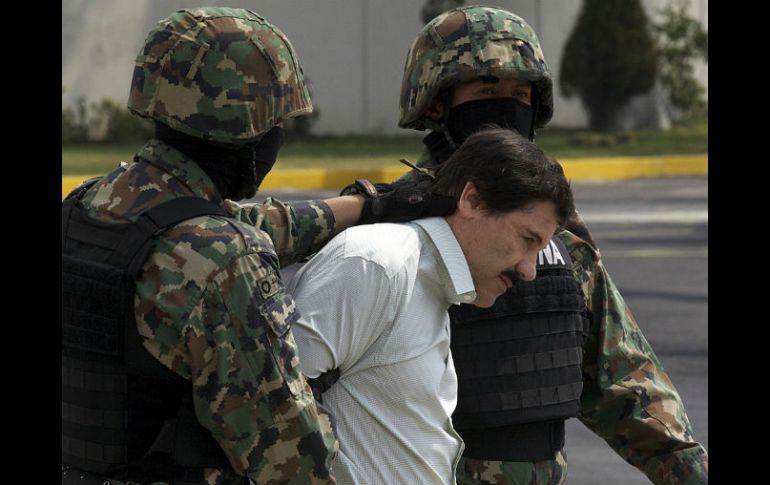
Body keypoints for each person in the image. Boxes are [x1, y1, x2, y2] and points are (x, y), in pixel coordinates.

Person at [61, 7, 453, 485]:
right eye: (279, 123)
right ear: (253, 130)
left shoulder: (88, 206)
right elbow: (293, 458)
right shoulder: (227, 262)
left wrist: (365, 206)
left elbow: (236, 225)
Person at [394, 5, 708, 484]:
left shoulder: (555, 229)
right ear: (437, 102)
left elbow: (624, 376)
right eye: (486, 92)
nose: (505, 108)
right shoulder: (394, 222)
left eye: (520, 95)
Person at [288, 127, 576, 485]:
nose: (529, 270)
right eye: (527, 239)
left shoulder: (431, 284)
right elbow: (274, 415)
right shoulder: (376, 264)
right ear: (472, 200)